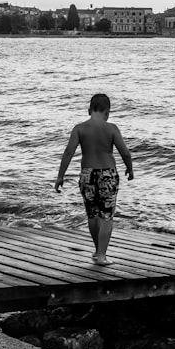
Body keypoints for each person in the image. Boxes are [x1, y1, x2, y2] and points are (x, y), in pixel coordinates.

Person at [56, 93, 133, 266]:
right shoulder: (111, 128)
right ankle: (101, 256)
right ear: (107, 112)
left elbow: (68, 152)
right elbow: (125, 153)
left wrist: (60, 176)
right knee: (106, 216)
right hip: (107, 174)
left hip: (87, 175)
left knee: (92, 214)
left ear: (89, 110)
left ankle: (98, 250)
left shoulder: (79, 128)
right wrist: (130, 168)